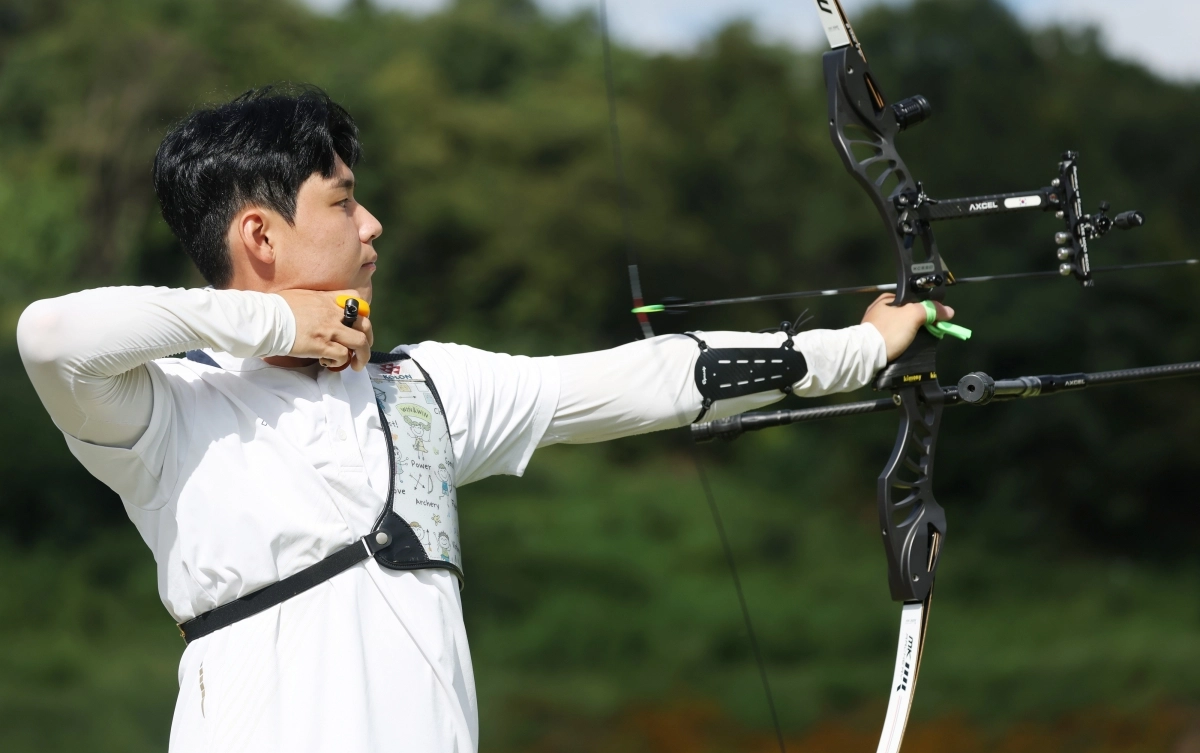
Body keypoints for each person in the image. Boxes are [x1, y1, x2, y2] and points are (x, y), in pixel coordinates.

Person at [16, 87, 953, 752]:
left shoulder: (423, 391)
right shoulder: (169, 414)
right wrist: (271, 320)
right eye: (343, 202)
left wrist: (858, 349)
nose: (373, 224)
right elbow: (51, 334)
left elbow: (650, 378)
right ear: (259, 236)